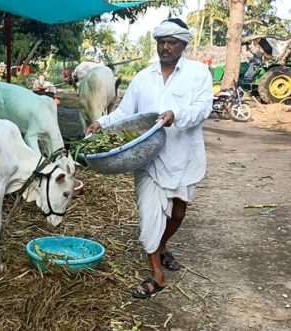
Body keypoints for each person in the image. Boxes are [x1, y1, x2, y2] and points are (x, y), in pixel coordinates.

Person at [86, 18, 213, 299]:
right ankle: (157, 274)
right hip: (147, 157)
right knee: (149, 218)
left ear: (184, 45)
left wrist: (175, 115)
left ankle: (162, 245)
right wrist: (101, 123)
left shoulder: (198, 74)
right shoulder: (143, 77)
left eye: (172, 42)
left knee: (178, 214)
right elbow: (125, 113)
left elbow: (203, 109)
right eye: (161, 42)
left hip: (183, 156)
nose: (165, 47)